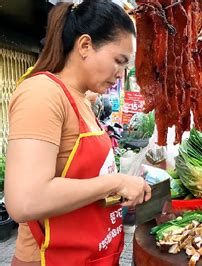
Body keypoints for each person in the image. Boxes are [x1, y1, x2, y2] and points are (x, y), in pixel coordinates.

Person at [5, 1, 151, 265]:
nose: (121, 74)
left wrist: (124, 192)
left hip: (90, 253)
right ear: (85, 45)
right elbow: (24, 201)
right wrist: (115, 182)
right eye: (118, 61)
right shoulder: (42, 92)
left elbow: (80, 182)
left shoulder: (82, 99)